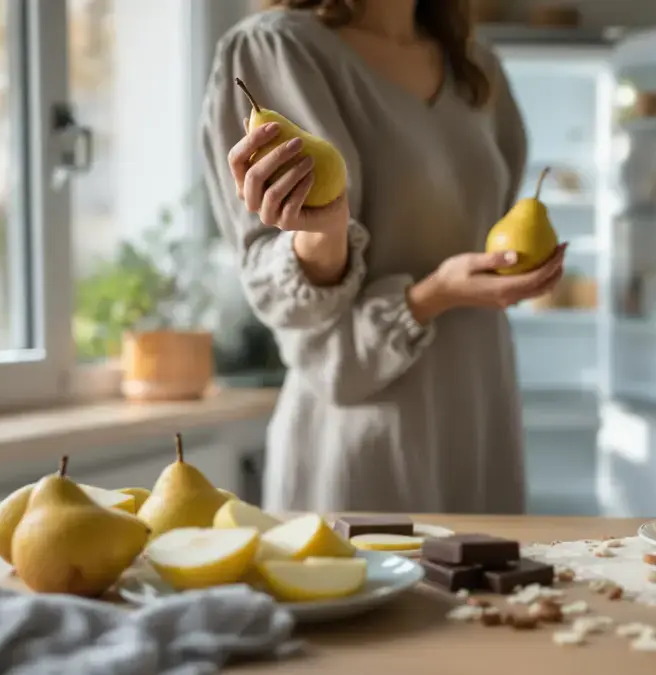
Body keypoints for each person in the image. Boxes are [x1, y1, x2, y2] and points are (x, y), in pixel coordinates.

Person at [200, 0, 566, 515]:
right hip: (367, 431)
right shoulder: (279, 48)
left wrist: (512, 270)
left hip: (482, 416)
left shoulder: (476, 65)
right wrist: (331, 237)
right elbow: (290, 305)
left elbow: (493, 226)